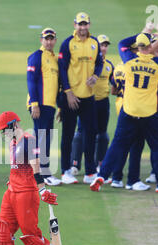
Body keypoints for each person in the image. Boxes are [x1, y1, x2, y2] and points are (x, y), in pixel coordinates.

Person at [90, 26, 158, 193]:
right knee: (157, 147)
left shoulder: (128, 59)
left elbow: (123, 43)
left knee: (117, 145)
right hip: (149, 113)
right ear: (149, 48)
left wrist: (145, 33)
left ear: (138, 47)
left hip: (129, 110)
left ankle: (101, 176)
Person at [0, 111, 70, 245]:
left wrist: (42, 190)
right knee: (4, 231)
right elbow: (17, 167)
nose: (3, 133)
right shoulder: (13, 142)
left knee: (31, 237)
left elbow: (36, 167)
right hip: (11, 192)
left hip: (26, 194)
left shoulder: (28, 140)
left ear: (13, 125)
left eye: (5, 129)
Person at [58, 12, 103, 184]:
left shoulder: (94, 43)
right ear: (74, 24)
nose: (83, 27)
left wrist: (96, 76)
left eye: (85, 24)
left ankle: (90, 172)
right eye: (80, 24)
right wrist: (68, 92)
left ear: (89, 25)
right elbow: (62, 69)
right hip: (71, 97)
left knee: (90, 134)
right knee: (68, 135)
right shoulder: (67, 43)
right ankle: (66, 171)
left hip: (88, 98)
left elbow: (99, 63)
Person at [70, 34, 114, 176]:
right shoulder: (89, 63)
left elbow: (114, 84)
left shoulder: (109, 66)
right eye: (102, 45)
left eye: (106, 45)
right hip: (88, 101)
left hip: (103, 103)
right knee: (81, 132)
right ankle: (75, 163)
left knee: (102, 134)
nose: (104, 48)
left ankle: (100, 163)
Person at [27, 28, 62, 186]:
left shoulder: (54, 59)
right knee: (42, 139)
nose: (49, 41)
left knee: (46, 138)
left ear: (55, 40)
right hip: (39, 104)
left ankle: (39, 172)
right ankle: (42, 173)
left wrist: (59, 107)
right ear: (41, 40)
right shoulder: (37, 56)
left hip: (50, 104)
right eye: (46, 39)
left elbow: (57, 85)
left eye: (51, 39)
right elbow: (31, 80)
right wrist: (34, 103)